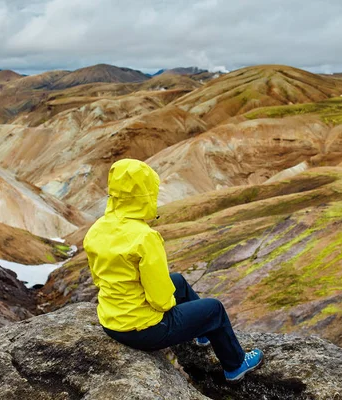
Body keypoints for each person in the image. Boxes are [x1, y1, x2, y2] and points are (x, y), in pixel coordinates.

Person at [83, 159, 263, 382]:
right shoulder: (144, 237)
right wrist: (168, 307)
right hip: (143, 330)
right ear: (146, 196)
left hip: (111, 321)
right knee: (214, 309)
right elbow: (161, 301)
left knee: (177, 280)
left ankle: (203, 333)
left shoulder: (97, 229)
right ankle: (235, 365)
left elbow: (98, 278)